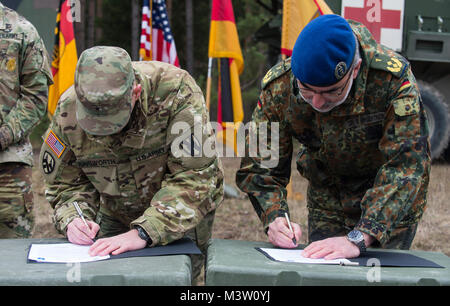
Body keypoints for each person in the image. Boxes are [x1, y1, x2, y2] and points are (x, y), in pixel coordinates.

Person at [236, 14, 431, 259]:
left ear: (355, 69)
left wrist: (361, 236)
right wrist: (274, 217)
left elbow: (405, 166)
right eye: (307, 91)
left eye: (331, 91)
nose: (317, 102)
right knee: (326, 273)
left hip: (387, 198)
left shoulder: (392, 80)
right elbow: (261, 165)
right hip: (328, 194)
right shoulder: (280, 85)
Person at [39, 46, 223, 280]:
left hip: (180, 212)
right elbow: (65, 183)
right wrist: (75, 218)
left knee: (175, 278)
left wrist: (145, 232)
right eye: (94, 123)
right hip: (116, 208)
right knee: (107, 278)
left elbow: (194, 178)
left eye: (112, 122)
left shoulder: (176, 92)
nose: (104, 133)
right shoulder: (68, 110)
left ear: (135, 93)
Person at [0, 2, 53, 238]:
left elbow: (36, 96)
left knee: (9, 255)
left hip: (7, 166)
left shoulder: (21, 30)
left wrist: (2, 136)